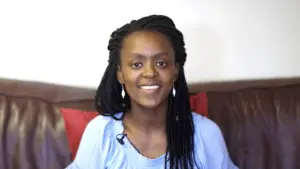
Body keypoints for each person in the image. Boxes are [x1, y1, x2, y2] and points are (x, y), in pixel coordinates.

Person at [65, 14, 238, 169]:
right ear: (120, 74)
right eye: (136, 64)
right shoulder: (101, 133)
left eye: (161, 63)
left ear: (175, 70)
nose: (150, 73)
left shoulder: (205, 134)